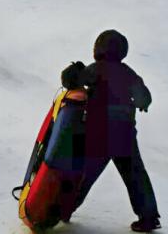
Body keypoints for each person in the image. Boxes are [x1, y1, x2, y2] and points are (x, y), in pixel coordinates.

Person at [60, 30, 160, 233]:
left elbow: (71, 81)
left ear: (98, 49)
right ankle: (148, 217)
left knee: (83, 175)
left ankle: (64, 209)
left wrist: (74, 71)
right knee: (135, 175)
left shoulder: (95, 70)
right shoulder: (128, 73)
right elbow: (144, 98)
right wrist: (139, 103)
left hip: (98, 133)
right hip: (124, 135)